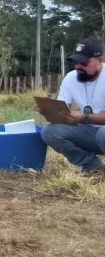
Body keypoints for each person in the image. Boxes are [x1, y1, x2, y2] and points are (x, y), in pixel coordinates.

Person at [40, 38, 105, 173]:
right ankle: (93, 167)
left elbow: (84, 118)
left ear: (100, 61)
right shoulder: (70, 78)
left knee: (102, 133)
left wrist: (83, 117)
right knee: (49, 132)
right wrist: (51, 111)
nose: (78, 67)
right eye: (76, 62)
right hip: (89, 133)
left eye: (84, 63)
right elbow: (63, 108)